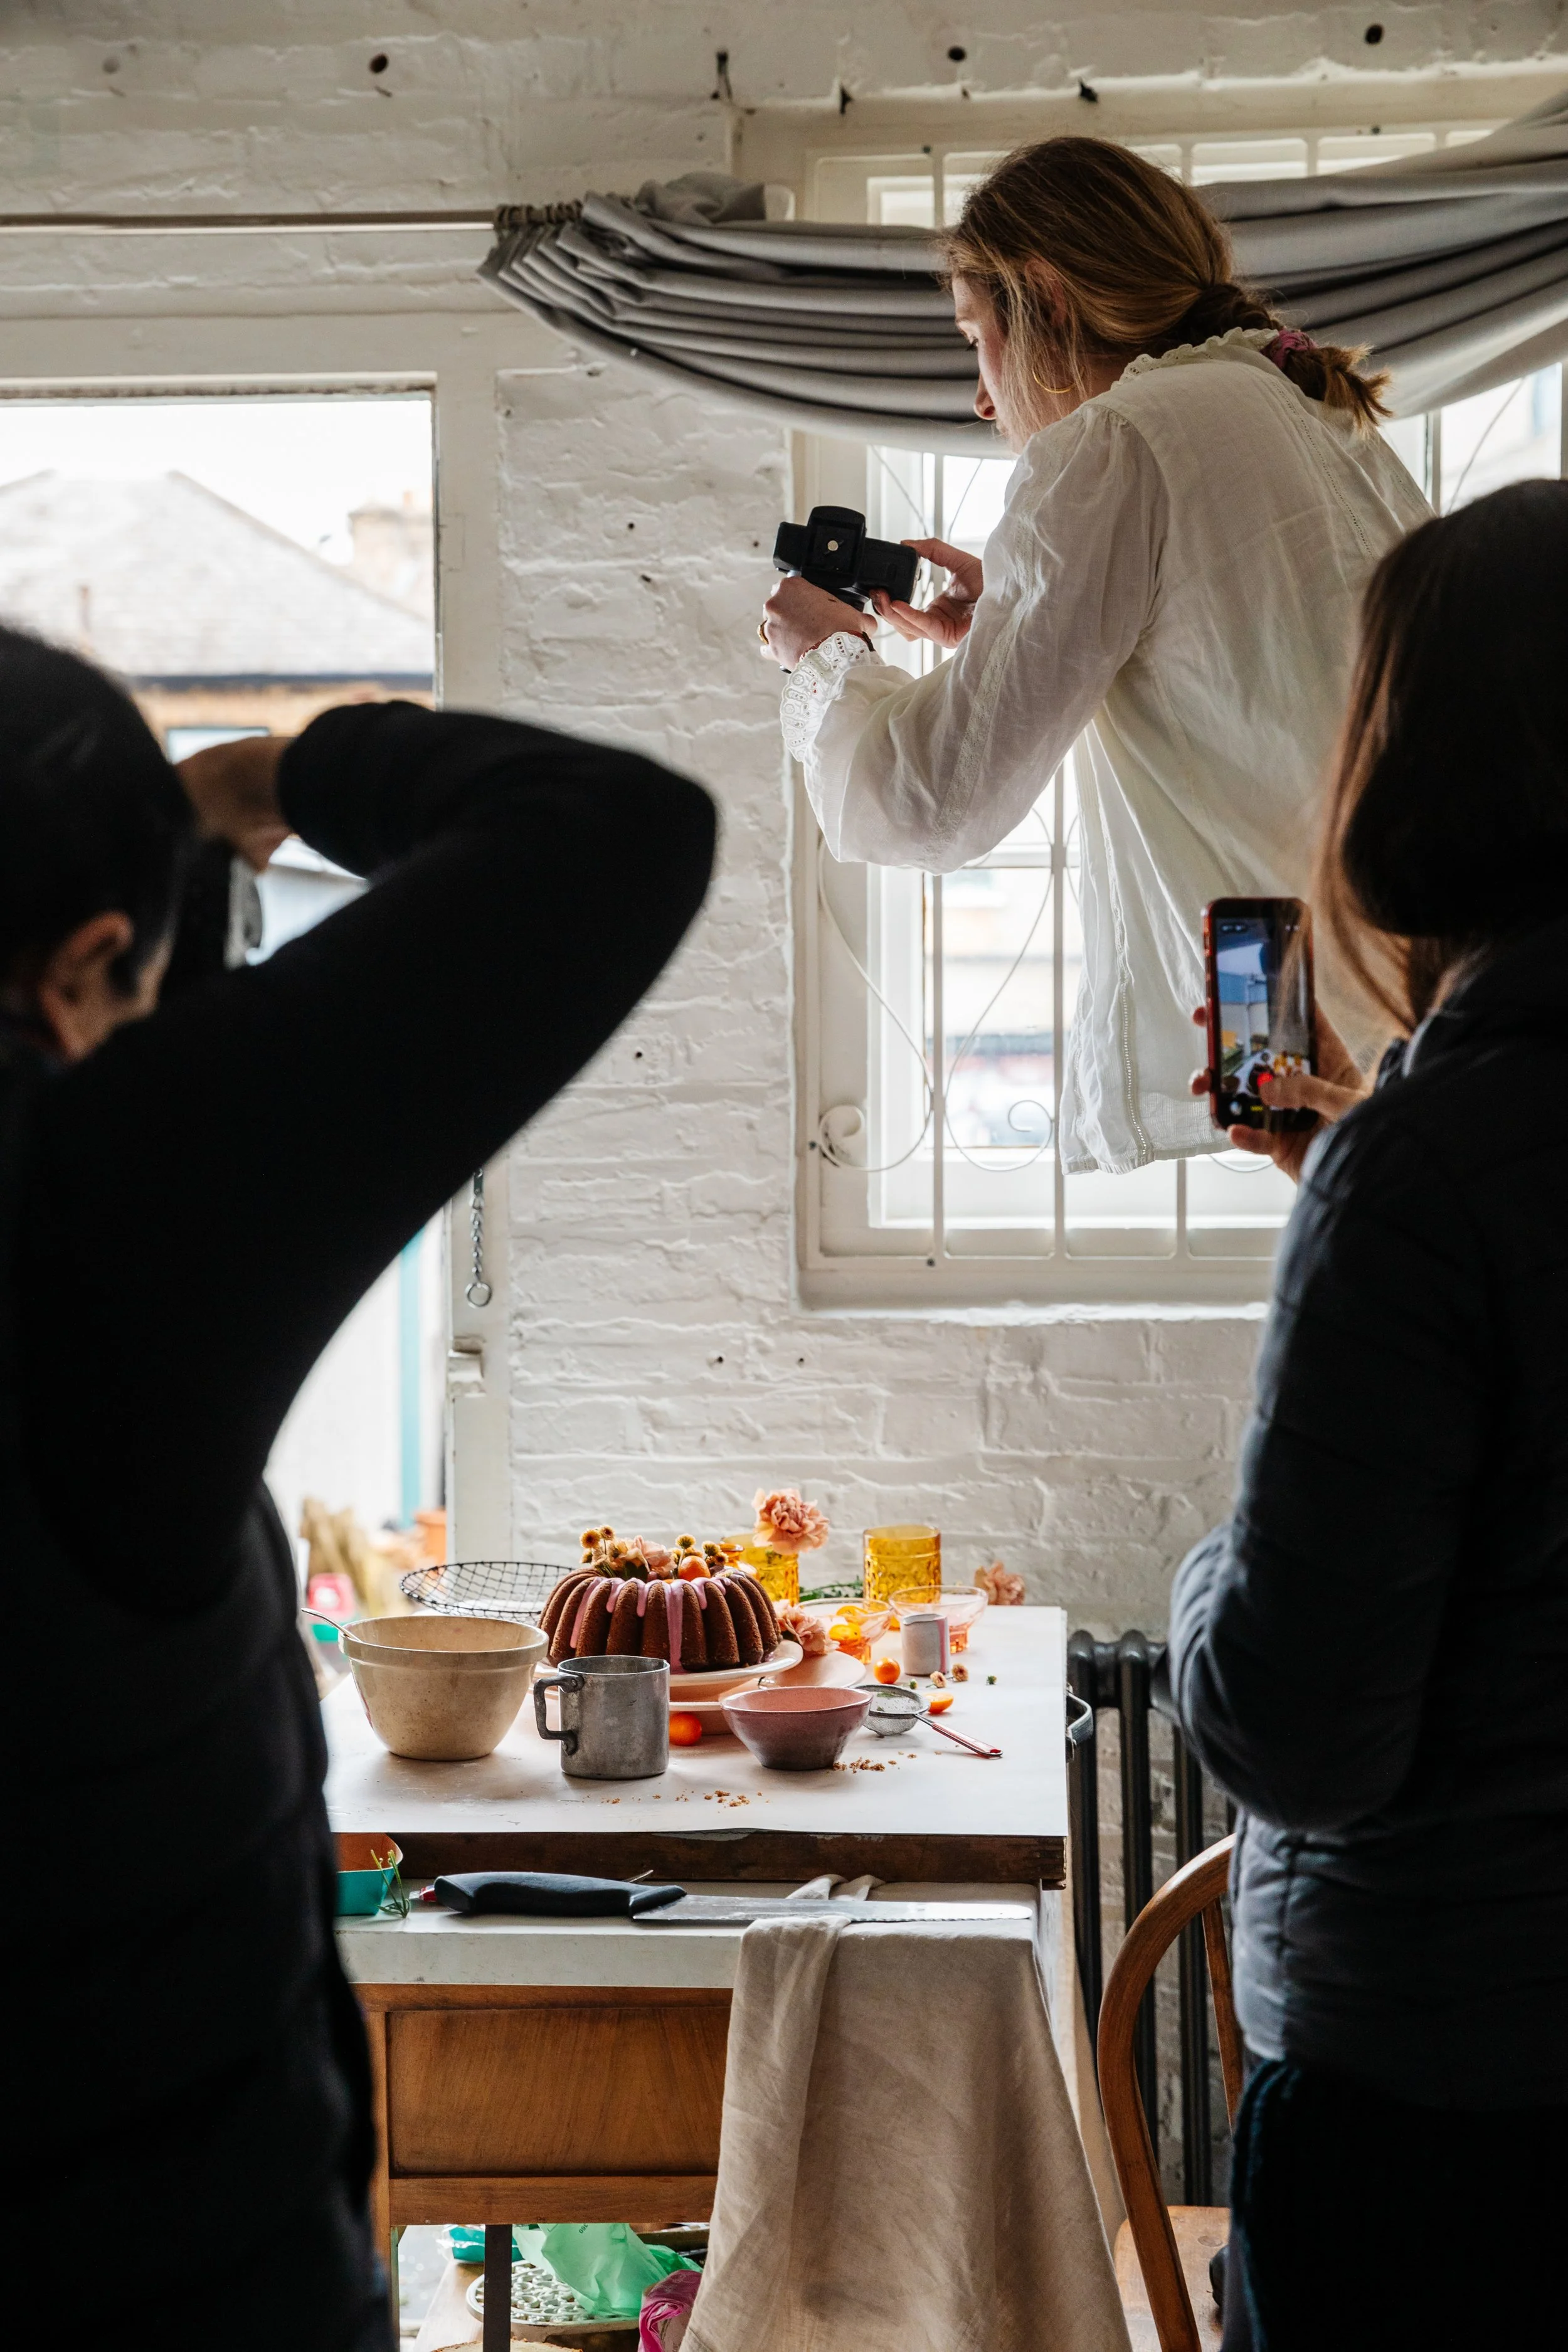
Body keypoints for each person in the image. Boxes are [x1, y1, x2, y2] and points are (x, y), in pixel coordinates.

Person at [1, 632, 714, 2347]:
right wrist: (270, 781)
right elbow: (609, 829)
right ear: (92, 956)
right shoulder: (92, 1201)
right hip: (154, 2256)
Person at [1167, 480, 1568, 2350]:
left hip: (1446, 2112)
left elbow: (1294, 1725)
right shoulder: (1417, 1165)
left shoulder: (1426, 1173)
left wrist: (1199, 1570)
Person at [759, 135, 1429, 1173]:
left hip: (1340, 1034)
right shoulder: (1303, 405)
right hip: (1418, 996)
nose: (983, 399)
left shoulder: (1116, 444)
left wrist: (826, 659)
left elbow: (937, 797)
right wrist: (1017, 623)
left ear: (1048, 302)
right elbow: (1241, 670)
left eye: (976, 338)